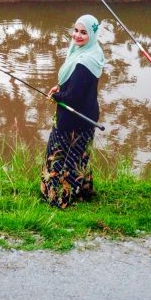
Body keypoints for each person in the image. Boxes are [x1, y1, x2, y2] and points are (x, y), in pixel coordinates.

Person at [41, 14, 105, 209]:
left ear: (92, 35)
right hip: (84, 116)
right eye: (76, 30)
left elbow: (74, 98)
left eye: (84, 32)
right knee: (79, 156)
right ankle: (82, 192)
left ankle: (59, 198)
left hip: (75, 119)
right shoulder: (90, 52)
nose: (77, 36)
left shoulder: (85, 61)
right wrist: (59, 89)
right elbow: (75, 86)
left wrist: (57, 97)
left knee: (61, 158)